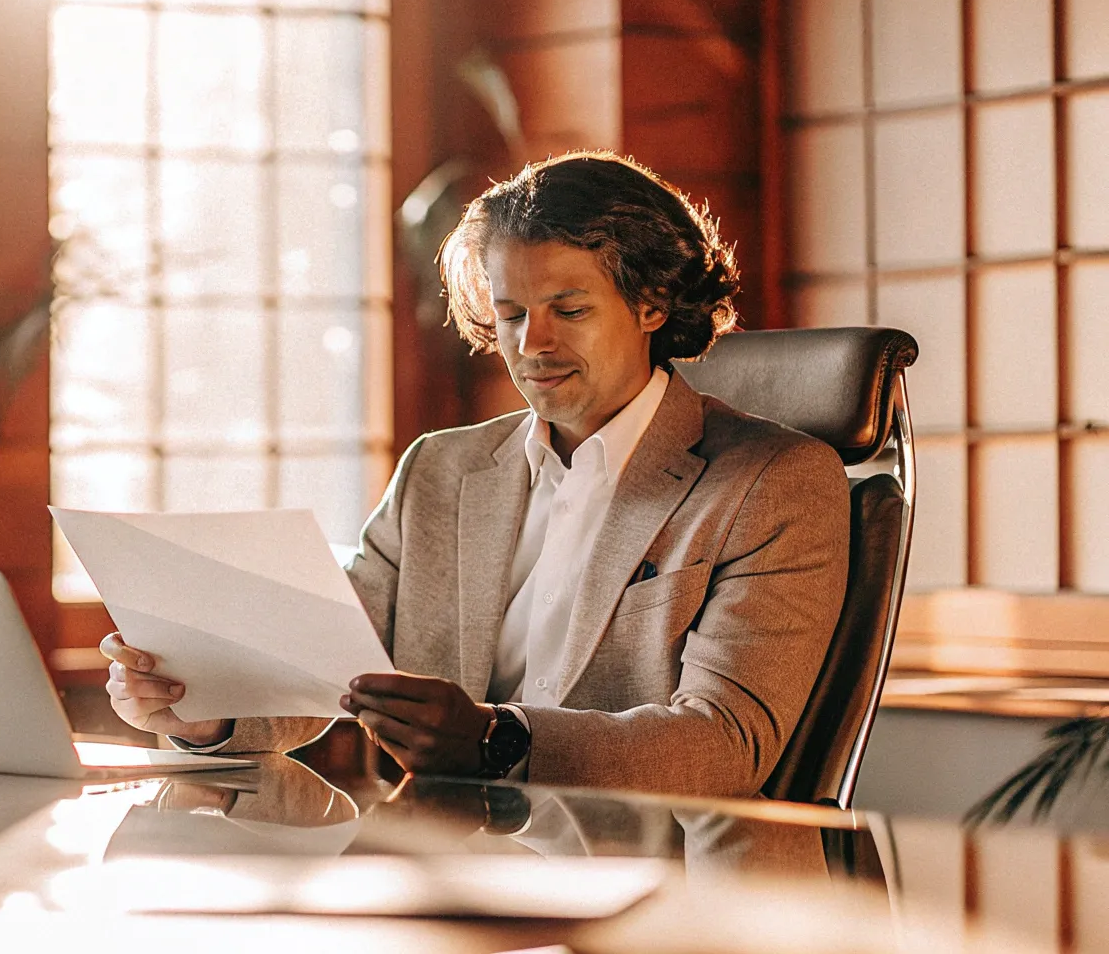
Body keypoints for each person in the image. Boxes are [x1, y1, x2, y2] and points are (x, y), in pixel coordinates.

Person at [101, 152, 851, 799]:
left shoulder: (775, 481)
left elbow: (726, 745)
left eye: (570, 308)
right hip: (449, 867)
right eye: (512, 313)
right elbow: (328, 668)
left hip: (655, 893)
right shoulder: (442, 470)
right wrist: (210, 715)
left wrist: (499, 739)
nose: (536, 343)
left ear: (652, 304)